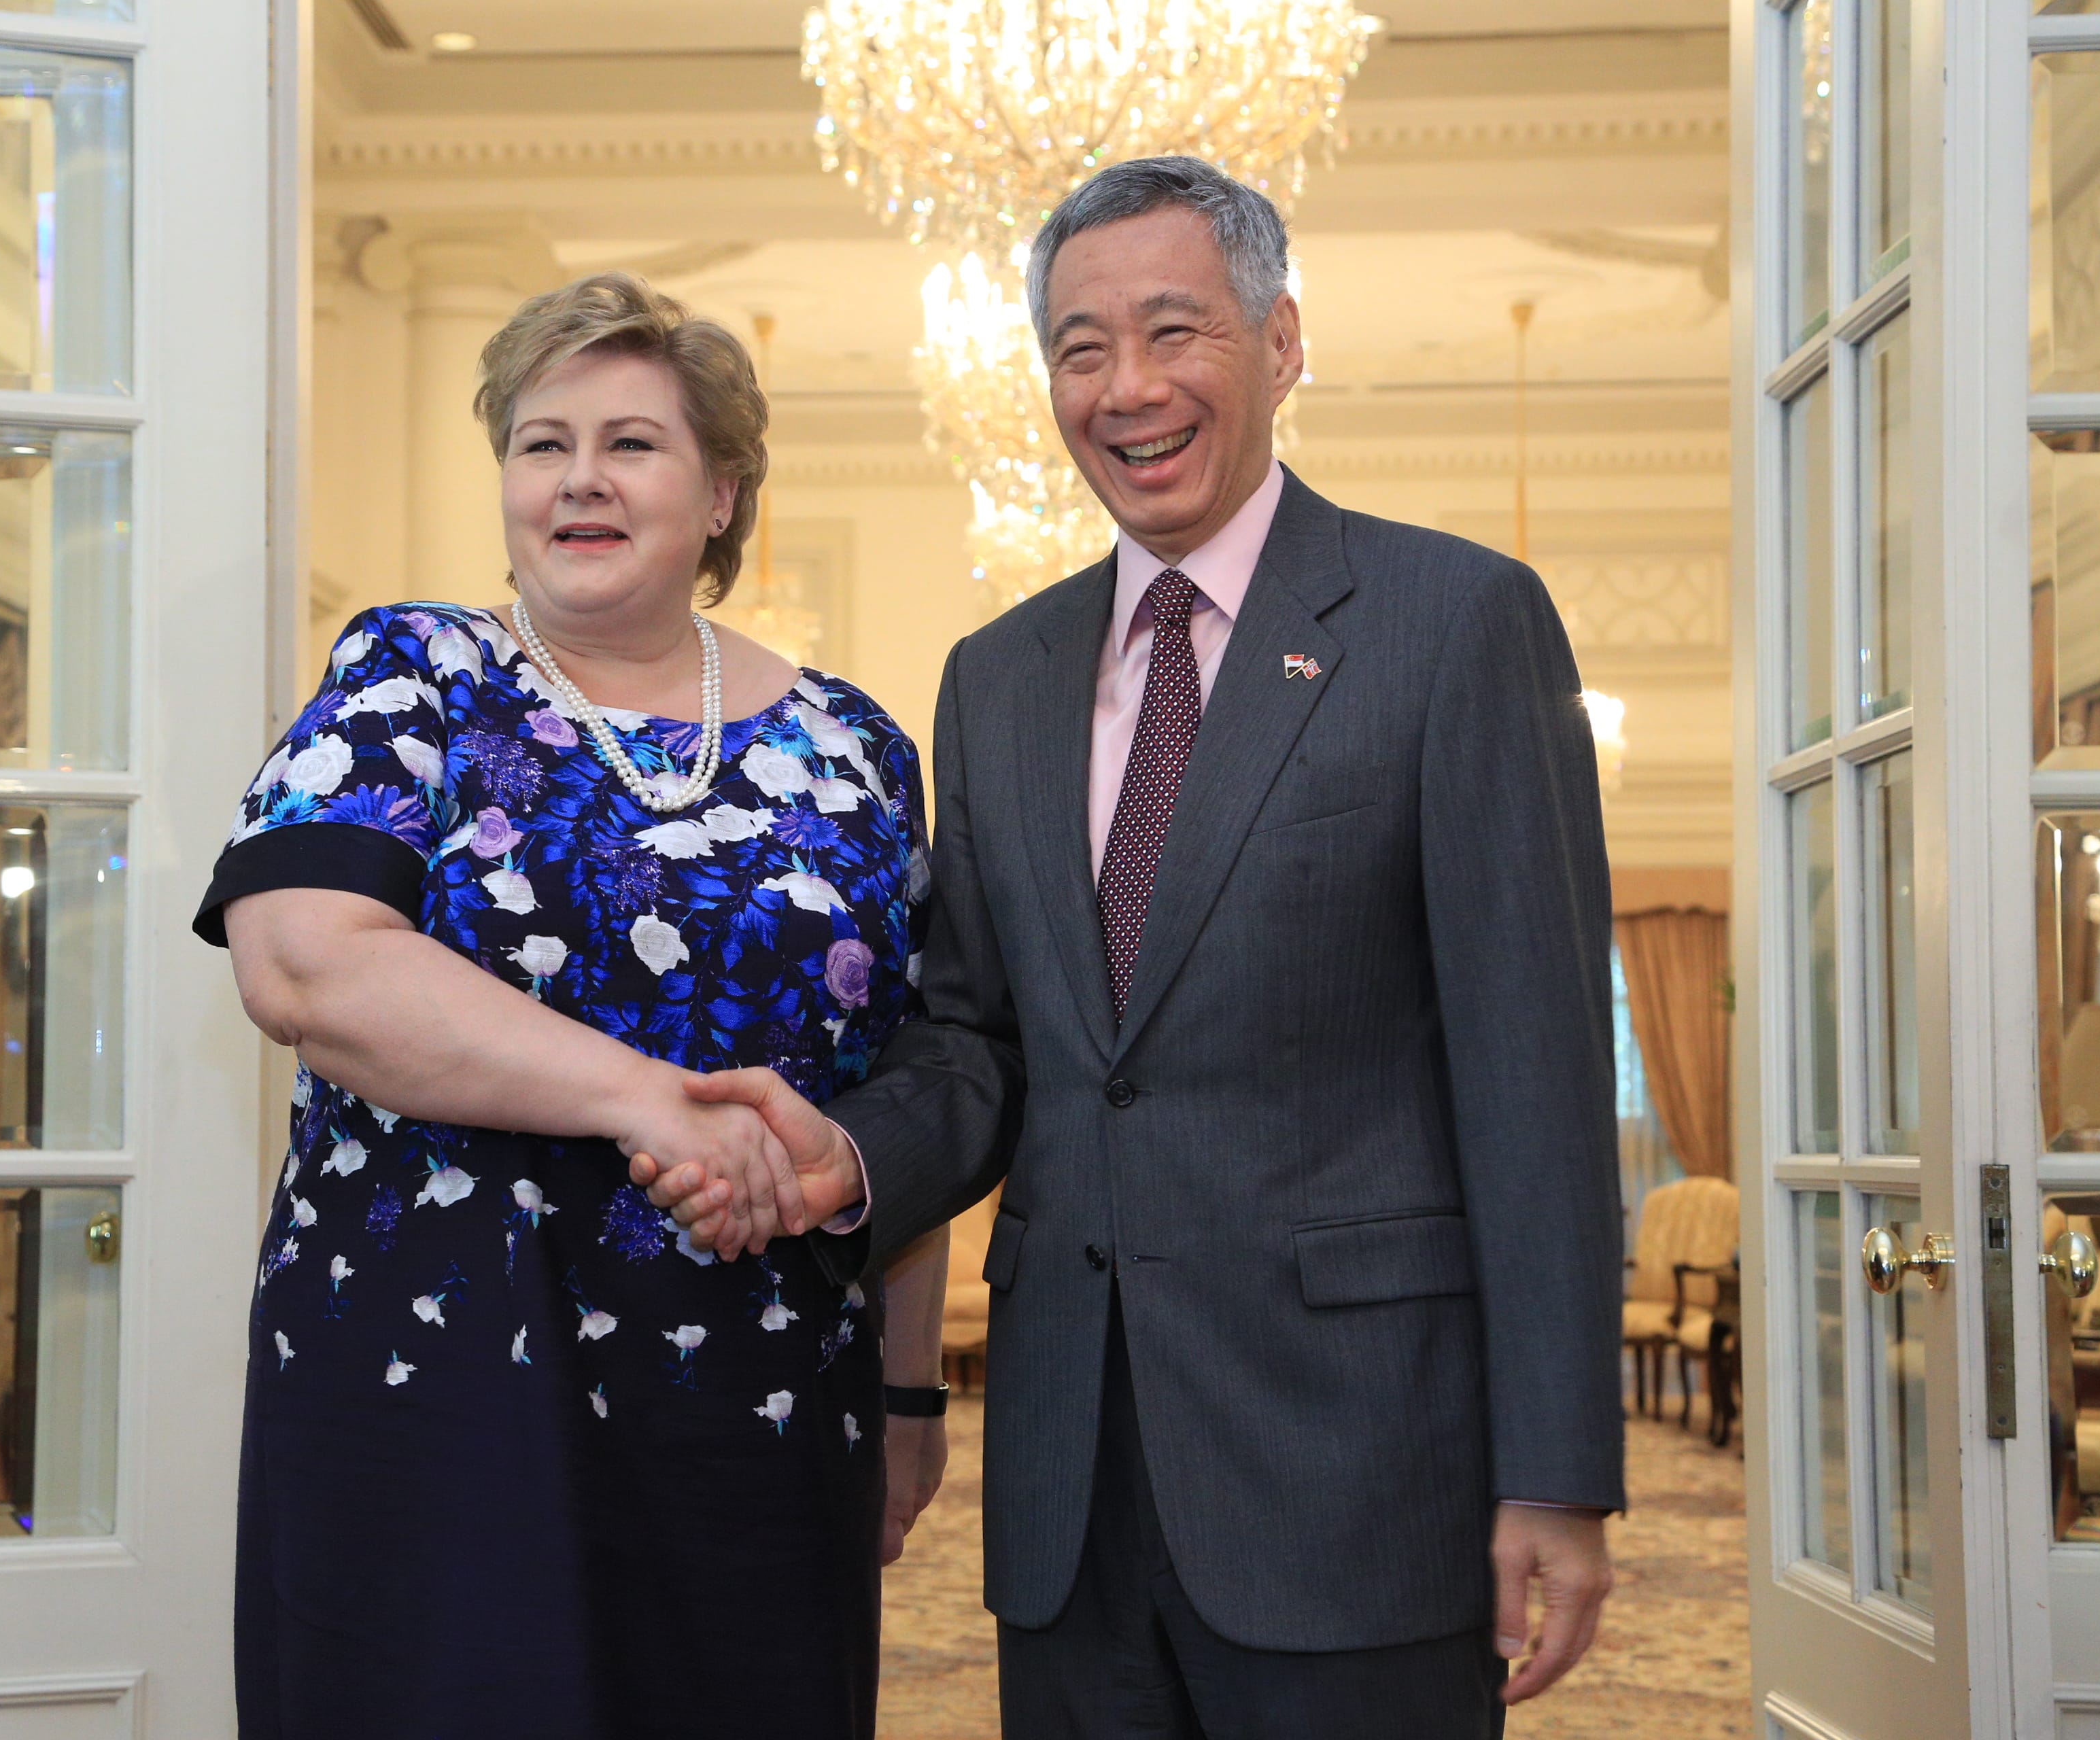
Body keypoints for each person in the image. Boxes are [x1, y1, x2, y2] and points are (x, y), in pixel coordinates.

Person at [645, 157, 1623, 1738]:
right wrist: (837, 1149)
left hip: (1359, 1473)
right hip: (1071, 1489)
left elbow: (1540, 1084)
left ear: (1284, 342)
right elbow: (977, 1039)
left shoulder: (1455, 624)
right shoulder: (1000, 676)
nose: (1130, 387)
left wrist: (1560, 1476)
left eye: (1178, 330)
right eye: (1081, 348)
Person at [199, 272, 950, 1739]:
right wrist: (643, 1095)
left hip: (764, 1407)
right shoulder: (411, 675)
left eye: (632, 443)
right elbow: (302, 959)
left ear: (724, 491)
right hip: (437, 1390)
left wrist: (912, 1398)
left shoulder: (857, 743)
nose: (580, 479)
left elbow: (914, 1088)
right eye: (542, 444)